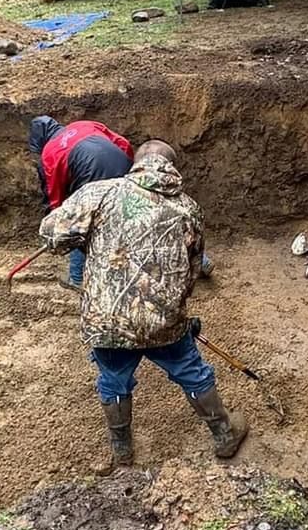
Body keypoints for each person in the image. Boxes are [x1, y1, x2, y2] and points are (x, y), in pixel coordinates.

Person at [39, 139, 247, 467]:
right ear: (172, 167)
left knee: (113, 378)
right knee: (190, 369)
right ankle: (224, 434)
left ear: (134, 162)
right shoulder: (189, 209)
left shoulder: (98, 193)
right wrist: (177, 314)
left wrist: (82, 238)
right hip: (163, 320)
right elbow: (192, 272)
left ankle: (122, 447)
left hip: (107, 319)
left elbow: (52, 236)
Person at [28, 115, 133, 288]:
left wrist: (60, 223)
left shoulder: (49, 151)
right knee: (121, 220)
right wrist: (127, 168)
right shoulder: (84, 124)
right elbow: (123, 144)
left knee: (79, 224)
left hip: (90, 175)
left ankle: (77, 278)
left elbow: (54, 193)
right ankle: (123, 273)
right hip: (123, 165)